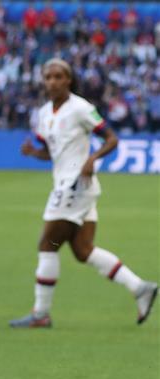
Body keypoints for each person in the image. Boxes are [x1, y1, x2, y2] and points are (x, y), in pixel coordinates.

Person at [11, 59, 157, 328]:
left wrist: (93, 158)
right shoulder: (44, 113)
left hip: (74, 185)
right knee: (82, 250)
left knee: (47, 245)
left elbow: (111, 138)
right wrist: (33, 153)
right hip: (72, 186)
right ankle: (140, 288)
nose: (53, 81)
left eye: (58, 76)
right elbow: (52, 152)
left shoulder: (81, 108)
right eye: (48, 76)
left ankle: (41, 314)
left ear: (69, 80)